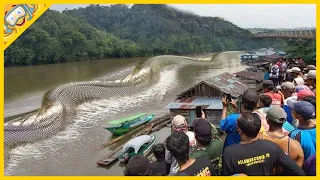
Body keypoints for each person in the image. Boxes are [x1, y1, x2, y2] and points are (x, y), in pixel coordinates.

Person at [222, 113, 305, 176]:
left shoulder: (230, 152)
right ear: (259, 129)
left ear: (239, 130)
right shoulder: (272, 147)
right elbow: (298, 172)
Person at [258, 106, 304, 171]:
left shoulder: (257, 138)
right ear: (284, 121)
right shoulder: (295, 146)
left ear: (267, 120)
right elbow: (298, 171)